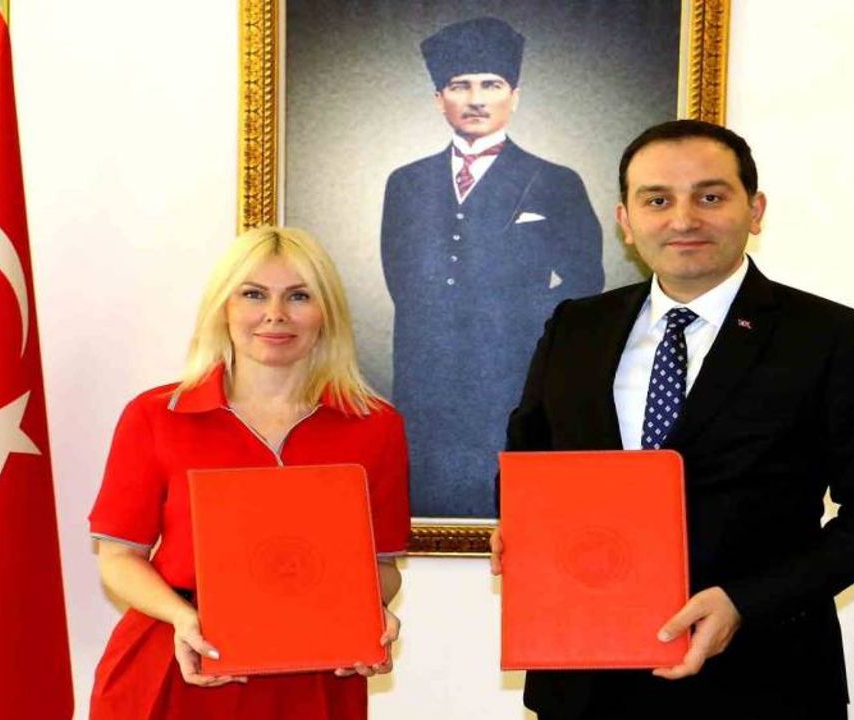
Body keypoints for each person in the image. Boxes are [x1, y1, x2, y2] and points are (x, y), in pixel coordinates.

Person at [491, 120, 854, 718]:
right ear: (625, 220)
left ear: (755, 210)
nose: (683, 219)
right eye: (657, 200)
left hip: (762, 681)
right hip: (584, 683)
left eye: (711, 197)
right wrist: (521, 528)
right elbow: (529, 464)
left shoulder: (828, 336)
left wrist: (747, 602)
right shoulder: (576, 327)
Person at [88, 226, 410, 719]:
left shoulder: (375, 425)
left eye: (299, 296)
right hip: (180, 662)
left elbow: (381, 566)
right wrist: (182, 618)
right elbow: (118, 558)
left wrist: (366, 616)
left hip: (312, 676)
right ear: (224, 308)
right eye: (253, 294)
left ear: (327, 313)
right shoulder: (155, 415)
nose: (275, 314)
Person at [381, 16, 604, 517]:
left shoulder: (555, 181)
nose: (476, 99)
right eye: (460, 85)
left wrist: (517, 323)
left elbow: (585, 282)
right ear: (440, 99)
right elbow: (401, 281)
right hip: (426, 381)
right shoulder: (406, 183)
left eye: (491, 85)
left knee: (514, 504)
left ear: (514, 96)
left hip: (512, 378)